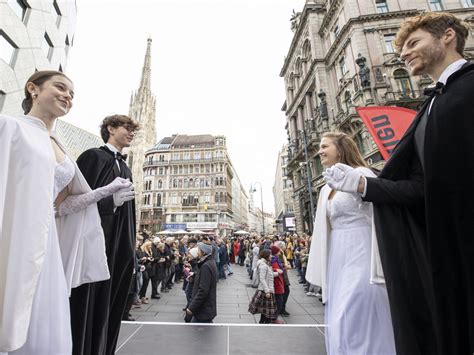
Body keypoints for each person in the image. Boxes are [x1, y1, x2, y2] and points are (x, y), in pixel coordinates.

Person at [323, 12, 473, 355]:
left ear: (447, 37)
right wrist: (364, 187)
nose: (403, 53)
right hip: (445, 253)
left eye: (413, 43)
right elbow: (422, 187)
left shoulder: (467, 88)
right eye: (400, 46)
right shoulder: (432, 103)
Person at [0, 71, 132, 354]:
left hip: (46, 242)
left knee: (42, 319)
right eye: (60, 88)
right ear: (33, 89)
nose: (67, 96)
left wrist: (104, 193)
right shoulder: (9, 126)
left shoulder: (60, 146)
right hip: (14, 232)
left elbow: (62, 205)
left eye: (72, 94)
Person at [306, 132, 396, 354]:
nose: (320, 151)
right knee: (339, 313)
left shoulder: (361, 173)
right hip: (338, 252)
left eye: (325, 146)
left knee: (354, 306)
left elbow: (381, 206)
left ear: (341, 148)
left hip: (362, 247)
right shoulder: (327, 185)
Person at [69, 114, 139, 355]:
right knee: (89, 300)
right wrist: (111, 203)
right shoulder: (93, 157)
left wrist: (129, 248)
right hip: (95, 244)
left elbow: (130, 216)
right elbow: (75, 203)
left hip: (118, 248)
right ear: (110, 128)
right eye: (127, 128)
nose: (132, 133)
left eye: (134, 130)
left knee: (111, 302)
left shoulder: (126, 167)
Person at [185, 242, 218, 323]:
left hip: (203, 309)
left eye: (199, 250)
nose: (197, 252)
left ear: (203, 252)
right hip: (206, 309)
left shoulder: (206, 266)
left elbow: (203, 291)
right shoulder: (210, 262)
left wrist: (191, 307)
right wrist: (195, 275)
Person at [248, 249, 278, 324]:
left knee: (265, 311)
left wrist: (278, 273)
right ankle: (264, 325)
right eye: (270, 255)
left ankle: (262, 323)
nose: (271, 256)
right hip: (265, 290)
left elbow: (269, 275)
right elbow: (262, 279)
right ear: (266, 255)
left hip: (267, 289)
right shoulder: (263, 265)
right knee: (267, 311)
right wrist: (267, 291)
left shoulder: (265, 263)